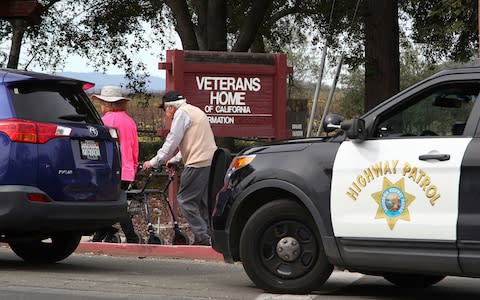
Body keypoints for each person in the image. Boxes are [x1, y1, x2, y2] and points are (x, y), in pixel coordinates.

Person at [143, 91, 217, 246]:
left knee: (185, 200)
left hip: (197, 162)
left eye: (165, 110)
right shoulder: (195, 111)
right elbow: (195, 141)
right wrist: (175, 159)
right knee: (203, 202)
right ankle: (212, 235)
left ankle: (202, 235)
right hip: (210, 161)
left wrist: (154, 162)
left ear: (170, 108)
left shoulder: (181, 114)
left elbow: (172, 141)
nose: (167, 115)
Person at [91, 85, 141, 243]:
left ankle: (125, 235)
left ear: (106, 104)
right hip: (127, 168)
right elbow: (134, 148)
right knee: (118, 201)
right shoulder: (130, 121)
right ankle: (104, 232)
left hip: (112, 168)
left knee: (106, 202)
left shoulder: (105, 121)